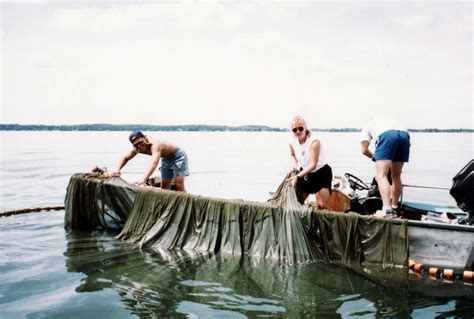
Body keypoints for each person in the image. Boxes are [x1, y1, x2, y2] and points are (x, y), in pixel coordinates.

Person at [360, 116, 410, 217]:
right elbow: (409, 144)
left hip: (387, 136)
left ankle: (386, 210)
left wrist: (376, 158)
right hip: (405, 136)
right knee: (396, 176)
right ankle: (394, 208)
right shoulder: (390, 120)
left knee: (380, 176)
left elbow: (364, 150)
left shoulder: (367, 126)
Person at [111, 131, 189, 191]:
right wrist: (117, 169)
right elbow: (125, 158)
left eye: (140, 142)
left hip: (178, 157)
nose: (139, 146)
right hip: (166, 159)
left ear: (145, 138)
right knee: (164, 187)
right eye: (135, 144)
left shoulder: (155, 145)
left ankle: (185, 207)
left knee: (179, 185)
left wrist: (143, 179)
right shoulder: (137, 149)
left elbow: (154, 163)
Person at [287, 116, 333, 208]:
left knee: (322, 206)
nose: (298, 131)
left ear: (305, 128)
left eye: (300, 128)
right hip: (305, 174)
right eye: (294, 130)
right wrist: (295, 167)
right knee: (297, 204)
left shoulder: (314, 142)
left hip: (321, 173)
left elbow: (313, 164)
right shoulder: (292, 142)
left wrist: (297, 176)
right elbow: (292, 154)